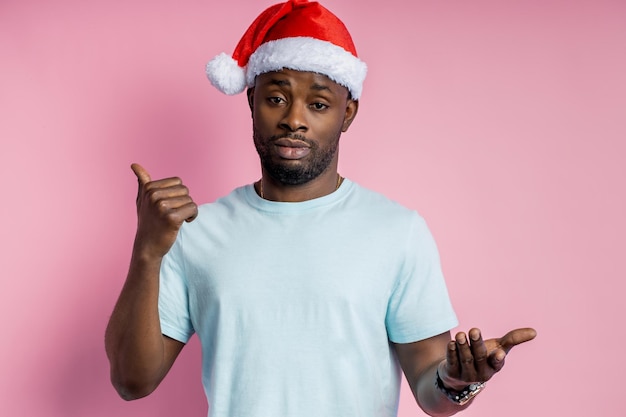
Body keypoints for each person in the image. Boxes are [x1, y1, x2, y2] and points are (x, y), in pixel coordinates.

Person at [105, 1, 536, 416]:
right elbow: (131, 380)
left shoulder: (396, 230)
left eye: (318, 104)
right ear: (251, 100)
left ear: (347, 113)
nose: (294, 118)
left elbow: (431, 392)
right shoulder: (198, 229)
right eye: (276, 98)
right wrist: (147, 250)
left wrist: (457, 381)